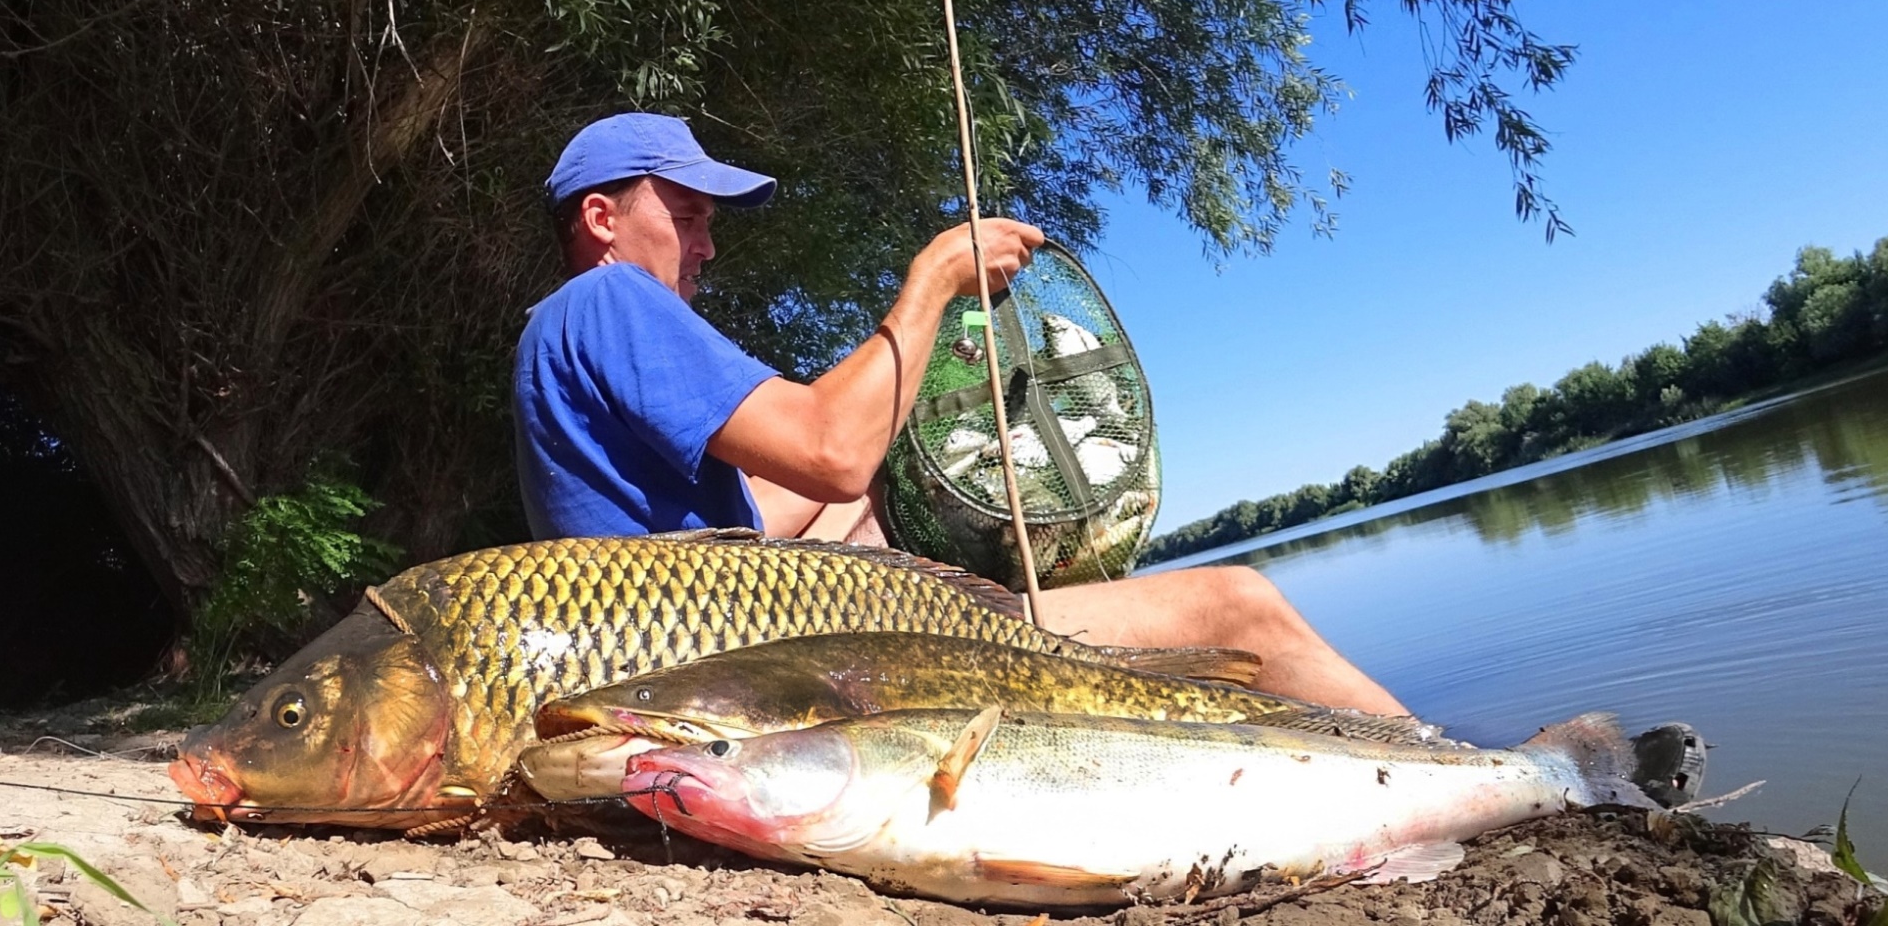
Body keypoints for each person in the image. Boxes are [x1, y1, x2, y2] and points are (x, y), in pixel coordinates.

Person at [512, 112, 1406, 715]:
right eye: (687, 215)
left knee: (870, 498)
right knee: (1236, 603)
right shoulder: (611, 300)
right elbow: (831, 450)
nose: (707, 244)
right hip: (746, 668)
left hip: (698, 645)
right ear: (601, 218)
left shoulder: (552, 334)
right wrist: (935, 280)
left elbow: (800, 483)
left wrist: (900, 417)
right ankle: (1463, 777)